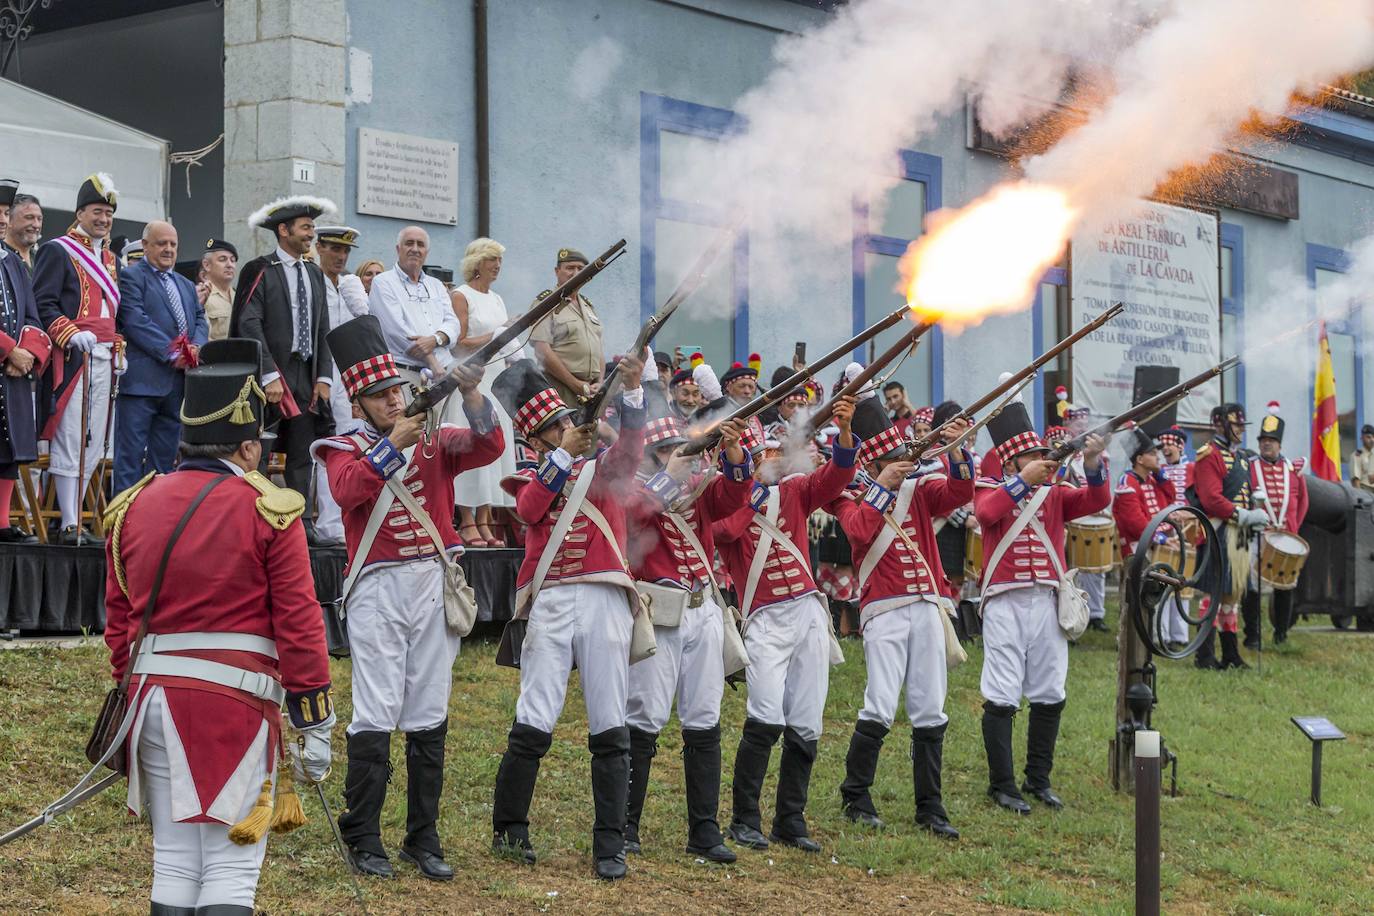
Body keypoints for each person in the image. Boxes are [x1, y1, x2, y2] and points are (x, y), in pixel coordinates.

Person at [102, 338, 333, 914]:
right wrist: (315, 718)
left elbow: (119, 621)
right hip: (232, 702)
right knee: (231, 863)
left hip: (150, 698)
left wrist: (130, 687)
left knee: (175, 857)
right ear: (249, 447)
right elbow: (300, 624)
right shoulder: (269, 509)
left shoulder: (132, 505)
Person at [313, 315, 503, 880]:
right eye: (381, 395)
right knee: (374, 711)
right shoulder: (341, 447)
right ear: (360, 402)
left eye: (397, 389)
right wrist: (391, 447)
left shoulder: (434, 439)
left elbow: (487, 444)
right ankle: (364, 836)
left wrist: (471, 392)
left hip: (433, 584)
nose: (394, 400)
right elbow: (349, 492)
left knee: (428, 711)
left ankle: (424, 836)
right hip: (377, 586)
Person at [490, 355, 647, 880]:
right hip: (552, 599)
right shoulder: (534, 473)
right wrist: (561, 457)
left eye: (568, 423)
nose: (568, 430)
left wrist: (633, 392)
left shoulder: (600, 470)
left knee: (609, 718)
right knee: (535, 713)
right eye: (555, 428)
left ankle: (610, 842)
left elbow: (628, 454)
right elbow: (532, 509)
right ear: (536, 442)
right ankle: (510, 827)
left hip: (604, 594)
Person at [714, 395, 858, 853]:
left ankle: (791, 820)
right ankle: (745, 818)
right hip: (765, 621)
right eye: (759, 458)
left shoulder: (794, 493)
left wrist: (845, 431)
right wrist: (751, 492)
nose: (768, 463)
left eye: (769, 456)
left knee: (806, 720)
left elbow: (837, 476)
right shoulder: (729, 505)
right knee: (764, 716)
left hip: (809, 614)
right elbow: (725, 534)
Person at [831, 397, 973, 839]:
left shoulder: (919, 490)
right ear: (873, 464)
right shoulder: (850, 496)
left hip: (928, 605)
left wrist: (953, 450)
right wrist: (883, 487)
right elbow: (857, 530)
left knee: (930, 706)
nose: (901, 465)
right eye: (891, 460)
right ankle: (856, 794)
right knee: (879, 702)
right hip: (885, 610)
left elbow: (960, 492)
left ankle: (930, 806)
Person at [622, 413, 752, 864]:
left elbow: (736, 494)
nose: (684, 459)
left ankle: (704, 830)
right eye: (670, 451)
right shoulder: (632, 489)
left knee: (704, 720)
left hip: (703, 610)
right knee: (644, 717)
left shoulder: (696, 492)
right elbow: (634, 518)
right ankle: (625, 825)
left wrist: (733, 451)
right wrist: (667, 479)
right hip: (660, 612)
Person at [975, 402, 1109, 814]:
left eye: (1041, 455)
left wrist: (1091, 460)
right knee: (1002, 692)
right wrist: (1021, 482)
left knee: (1050, 690)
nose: (1040, 461)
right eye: (1031, 457)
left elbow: (1096, 499)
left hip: (1048, 599)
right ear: (1013, 461)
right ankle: (1002, 784)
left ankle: (1038, 779)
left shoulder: (1055, 494)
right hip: (1005, 600)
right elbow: (986, 512)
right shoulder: (991, 486)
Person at [230, 195, 336, 524]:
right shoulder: (260, 270)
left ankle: (301, 525)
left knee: (302, 455)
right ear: (283, 230)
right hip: (271, 377)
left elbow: (322, 327)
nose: (311, 234)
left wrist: (324, 377)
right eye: (305, 228)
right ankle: (256, 519)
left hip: (306, 376)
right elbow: (248, 323)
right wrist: (267, 374)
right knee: (259, 451)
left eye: (312, 228)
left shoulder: (314, 274)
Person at [32, 173, 122, 544]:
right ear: (80, 212)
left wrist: (119, 345)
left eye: (108, 214)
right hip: (71, 357)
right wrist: (70, 333)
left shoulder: (109, 257)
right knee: (72, 434)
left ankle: (79, 516)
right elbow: (43, 303)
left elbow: (115, 314)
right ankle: (69, 521)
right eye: (97, 211)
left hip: (104, 356)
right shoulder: (58, 249)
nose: (103, 219)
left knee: (96, 439)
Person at [113, 221, 209, 493]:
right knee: (130, 458)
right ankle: (122, 526)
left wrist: (196, 348)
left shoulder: (186, 284)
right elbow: (135, 320)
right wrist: (172, 353)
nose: (168, 249)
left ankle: (154, 521)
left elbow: (200, 320)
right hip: (142, 384)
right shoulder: (132, 277)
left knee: (165, 461)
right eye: (161, 243)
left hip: (178, 386)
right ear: (145, 246)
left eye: (173, 244)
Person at [1188, 402, 1267, 670]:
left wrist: (1253, 515)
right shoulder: (1208, 455)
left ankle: (1231, 654)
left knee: (1231, 596)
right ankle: (1205, 656)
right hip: (1219, 530)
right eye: (1236, 425)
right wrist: (1241, 515)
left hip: (1239, 533)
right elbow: (1211, 499)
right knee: (1212, 594)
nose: (1240, 431)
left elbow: (1246, 491)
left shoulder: (1243, 456)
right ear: (1221, 424)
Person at [450, 237, 517, 547]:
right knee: (470, 445)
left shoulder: (498, 298)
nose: (498, 265)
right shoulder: (461, 296)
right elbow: (459, 342)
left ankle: (485, 520)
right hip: (469, 378)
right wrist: (496, 335)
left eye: (500, 260)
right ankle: (466, 520)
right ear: (477, 263)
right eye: (493, 259)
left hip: (494, 379)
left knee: (493, 447)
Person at [308, 226, 369, 545]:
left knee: (346, 448)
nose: (340, 256)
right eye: (333, 249)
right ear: (320, 248)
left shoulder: (350, 284)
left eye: (345, 251)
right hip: (316, 376)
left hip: (348, 379)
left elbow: (365, 321)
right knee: (318, 450)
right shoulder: (309, 280)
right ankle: (324, 522)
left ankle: (340, 522)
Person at [0, 182, 51, 543]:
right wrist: (8, 350)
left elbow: (33, 318)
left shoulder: (13, 263)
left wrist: (28, 354)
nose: (3, 220)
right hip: (6, 362)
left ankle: (0, 523)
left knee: (8, 451)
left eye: (5, 213)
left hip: (14, 372)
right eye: (0, 214)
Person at [1244, 404, 1309, 645]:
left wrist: (1293, 527)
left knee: (1285, 584)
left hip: (1286, 535)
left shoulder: (1293, 470)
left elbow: (1303, 501)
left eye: (1271, 440)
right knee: (1252, 586)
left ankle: (1281, 632)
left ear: (1280, 444)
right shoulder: (1249, 467)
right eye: (1263, 440)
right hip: (1258, 535)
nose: (1266, 444)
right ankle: (1253, 635)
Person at [368, 227, 460, 390]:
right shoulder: (383, 282)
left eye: (421, 245)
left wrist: (436, 339)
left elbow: (453, 323)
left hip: (444, 373)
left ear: (427, 251)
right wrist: (432, 361)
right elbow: (396, 331)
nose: (415, 249)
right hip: (405, 376)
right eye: (409, 243)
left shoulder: (436, 285)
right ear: (398, 249)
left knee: (443, 417)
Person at [528, 248, 604, 409]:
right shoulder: (546, 303)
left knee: (589, 434)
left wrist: (600, 382)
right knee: (564, 434)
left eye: (581, 269)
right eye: (570, 268)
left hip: (590, 393)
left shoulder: (588, 306)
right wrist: (576, 384)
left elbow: (598, 348)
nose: (576, 273)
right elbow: (542, 351)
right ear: (557, 271)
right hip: (559, 390)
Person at [1061, 404, 1110, 632]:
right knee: (1073, 568)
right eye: (1076, 422)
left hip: (1094, 512)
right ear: (1066, 424)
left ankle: (1097, 613)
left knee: (1097, 569)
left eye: (1083, 421)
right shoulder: (1062, 449)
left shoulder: (1096, 449)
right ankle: (1074, 610)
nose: (1081, 425)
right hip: (1073, 513)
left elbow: (1103, 478)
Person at [1112, 427, 1176, 565]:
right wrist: (1160, 539)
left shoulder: (1153, 479)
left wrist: (1159, 473)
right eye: (1152, 453)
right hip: (1138, 545)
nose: (1158, 457)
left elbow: (1171, 497)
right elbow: (1135, 524)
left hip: (1157, 539)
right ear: (1140, 459)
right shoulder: (1127, 483)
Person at [199, 238, 238, 341]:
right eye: (222, 259)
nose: (230, 265)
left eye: (233, 260)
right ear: (207, 265)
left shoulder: (239, 296)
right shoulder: (202, 295)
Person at [4, 192, 42, 270]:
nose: (36, 225)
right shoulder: (3, 257)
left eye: (39, 219)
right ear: (9, 220)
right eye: (29, 217)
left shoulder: (41, 259)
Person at [1350, 424, 1374, 492]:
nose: (1372, 440)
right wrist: (1359, 497)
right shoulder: (1357, 455)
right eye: (1368, 437)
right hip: (1366, 491)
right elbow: (1355, 479)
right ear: (1362, 438)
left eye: (1373, 437)